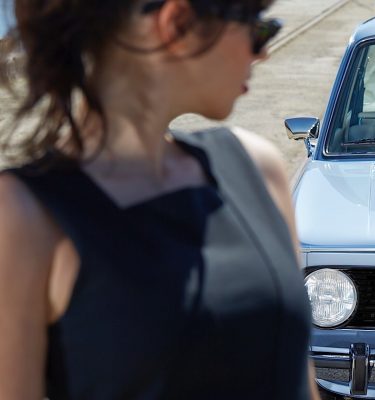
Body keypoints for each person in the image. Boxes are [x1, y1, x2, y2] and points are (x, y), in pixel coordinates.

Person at [0, 0, 321, 398]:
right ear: (177, 22)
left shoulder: (259, 168)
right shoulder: (25, 215)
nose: (264, 51)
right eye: (258, 27)